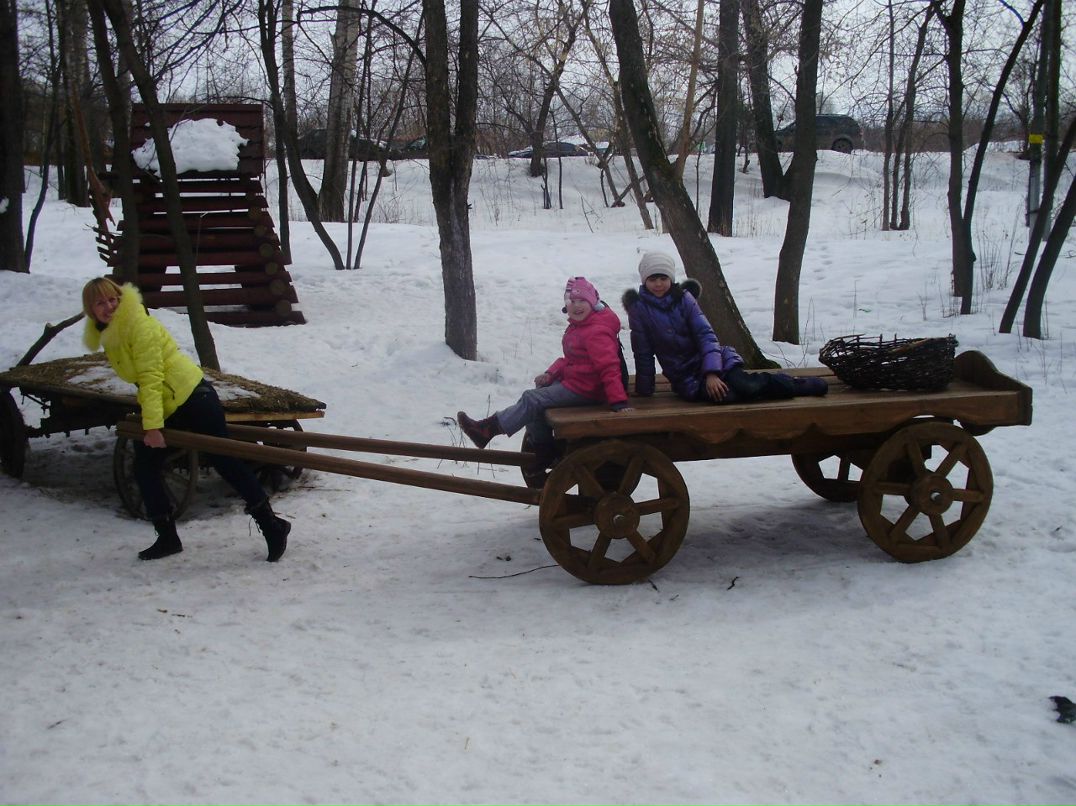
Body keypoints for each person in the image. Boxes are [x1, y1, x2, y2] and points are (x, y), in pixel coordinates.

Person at [82, 277, 291, 562]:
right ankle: (167, 537)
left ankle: (272, 526)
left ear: (121, 298)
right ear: (90, 310)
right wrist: (152, 422)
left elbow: (151, 377)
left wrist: (153, 426)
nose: (109, 306)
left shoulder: (138, 325)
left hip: (193, 398)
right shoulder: (112, 335)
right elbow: (146, 384)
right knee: (144, 464)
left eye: (112, 299)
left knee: (224, 459)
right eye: (100, 303)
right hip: (168, 404)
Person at [457, 276, 632, 467]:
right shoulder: (581, 325)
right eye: (572, 301)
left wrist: (618, 402)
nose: (577, 305)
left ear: (593, 302)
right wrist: (550, 374)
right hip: (578, 383)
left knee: (532, 399)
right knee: (536, 399)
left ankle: (488, 430)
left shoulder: (596, 331)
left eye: (582, 301)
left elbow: (609, 367)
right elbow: (571, 360)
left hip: (589, 390)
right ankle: (544, 449)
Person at [622, 251, 828, 404]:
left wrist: (712, 372)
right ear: (644, 281)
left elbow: (706, 337)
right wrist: (644, 389)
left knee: (747, 385)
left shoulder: (685, 300)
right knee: (727, 396)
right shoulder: (639, 310)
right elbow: (643, 352)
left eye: (663, 278)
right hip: (686, 378)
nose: (658, 284)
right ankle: (769, 390)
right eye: (653, 279)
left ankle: (795, 385)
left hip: (716, 362)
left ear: (671, 279)